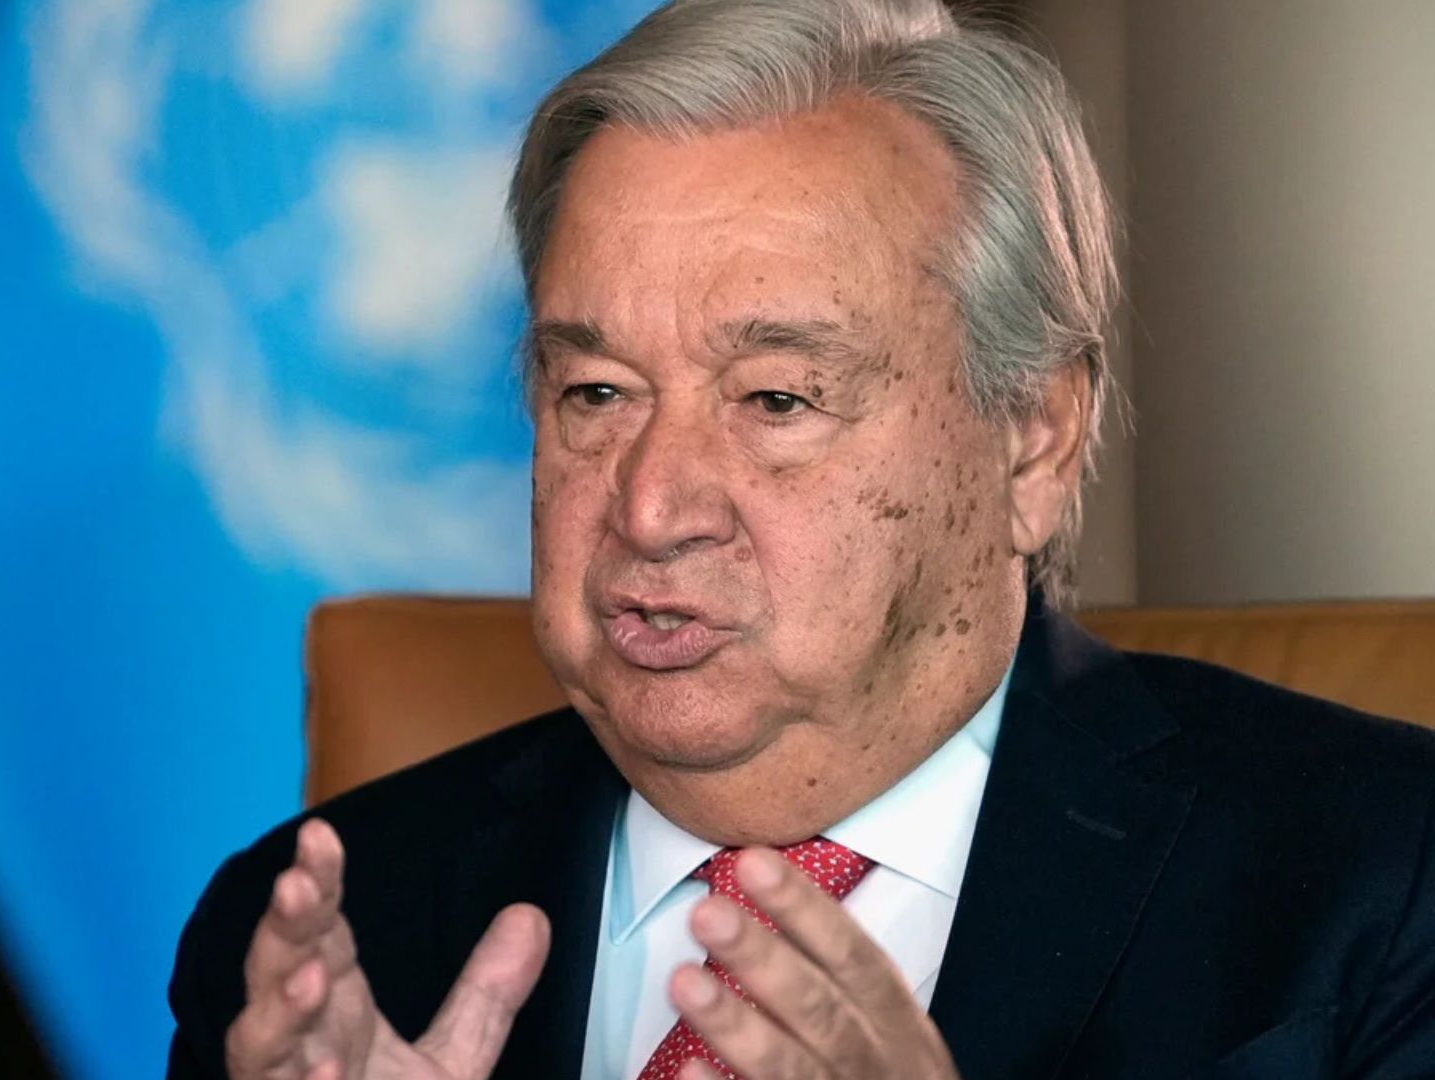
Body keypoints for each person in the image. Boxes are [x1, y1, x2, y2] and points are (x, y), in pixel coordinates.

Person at [166, 1, 1435, 1077]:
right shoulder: (316, 947)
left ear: (1033, 444)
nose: (652, 509)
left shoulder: (1379, 881)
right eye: (596, 393)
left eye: (776, 399)